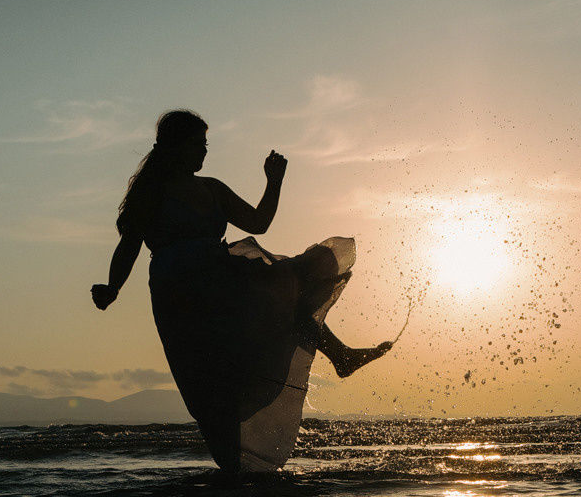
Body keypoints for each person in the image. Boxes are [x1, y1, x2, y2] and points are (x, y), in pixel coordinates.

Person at [92, 110, 390, 471]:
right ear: (173, 147)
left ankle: (339, 355)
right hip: (181, 293)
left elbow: (258, 222)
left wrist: (274, 181)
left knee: (286, 294)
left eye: (205, 144)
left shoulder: (212, 188)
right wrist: (113, 287)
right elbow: (130, 244)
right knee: (212, 374)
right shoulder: (152, 191)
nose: (203, 152)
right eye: (196, 144)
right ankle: (235, 460)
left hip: (221, 277)